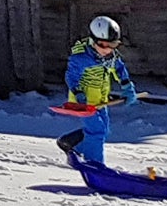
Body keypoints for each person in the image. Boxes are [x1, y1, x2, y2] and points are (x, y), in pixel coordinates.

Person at [56, 15, 138, 168]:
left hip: (100, 100)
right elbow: (72, 77)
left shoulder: (110, 55)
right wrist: (79, 95)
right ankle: (94, 166)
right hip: (83, 103)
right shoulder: (81, 57)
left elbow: (119, 68)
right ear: (94, 40)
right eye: (104, 45)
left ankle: (72, 144)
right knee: (97, 131)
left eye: (113, 45)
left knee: (104, 130)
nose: (108, 50)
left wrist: (127, 87)